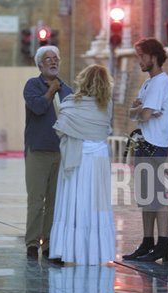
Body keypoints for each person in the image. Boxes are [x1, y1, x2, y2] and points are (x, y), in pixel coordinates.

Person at [49, 64, 116, 265]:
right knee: (96, 205)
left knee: (74, 203)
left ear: (83, 80)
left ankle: (70, 252)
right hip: (98, 157)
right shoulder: (107, 105)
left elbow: (61, 128)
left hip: (77, 157)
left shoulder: (70, 104)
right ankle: (98, 253)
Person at [122, 38, 168, 262]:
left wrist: (141, 110)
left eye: (142, 56)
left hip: (155, 143)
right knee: (146, 196)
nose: (139, 60)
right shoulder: (149, 83)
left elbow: (141, 114)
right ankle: (147, 242)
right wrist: (141, 110)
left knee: (157, 196)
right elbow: (134, 112)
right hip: (144, 141)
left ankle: (163, 244)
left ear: (154, 57)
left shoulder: (161, 82)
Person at [23, 46, 72, 259]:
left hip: (61, 152)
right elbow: (39, 107)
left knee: (54, 202)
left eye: (55, 59)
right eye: (48, 59)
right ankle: (32, 244)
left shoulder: (68, 90)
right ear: (40, 65)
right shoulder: (32, 86)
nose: (53, 62)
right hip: (38, 150)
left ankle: (49, 244)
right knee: (36, 200)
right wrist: (51, 90)